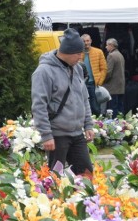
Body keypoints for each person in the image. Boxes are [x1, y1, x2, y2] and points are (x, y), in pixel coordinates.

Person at [31, 28, 95, 176]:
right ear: (68, 52)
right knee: (55, 178)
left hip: (77, 134)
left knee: (86, 175)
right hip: (57, 135)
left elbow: (84, 98)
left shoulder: (77, 69)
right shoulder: (43, 72)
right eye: (79, 54)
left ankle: (86, 199)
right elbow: (39, 106)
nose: (81, 57)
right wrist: (46, 135)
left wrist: (88, 124)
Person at [81, 33, 107, 116]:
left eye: (87, 41)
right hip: (81, 84)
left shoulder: (98, 52)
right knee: (82, 107)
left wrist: (99, 82)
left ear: (91, 41)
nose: (86, 43)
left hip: (94, 84)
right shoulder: (77, 53)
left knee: (95, 107)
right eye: (84, 41)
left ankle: (97, 125)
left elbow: (104, 68)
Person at [104, 38, 126, 116]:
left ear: (111, 45)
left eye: (107, 45)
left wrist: (103, 81)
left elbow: (108, 72)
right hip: (120, 86)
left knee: (113, 108)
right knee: (120, 108)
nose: (106, 47)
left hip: (113, 87)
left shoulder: (111, 56)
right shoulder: (120, 55)